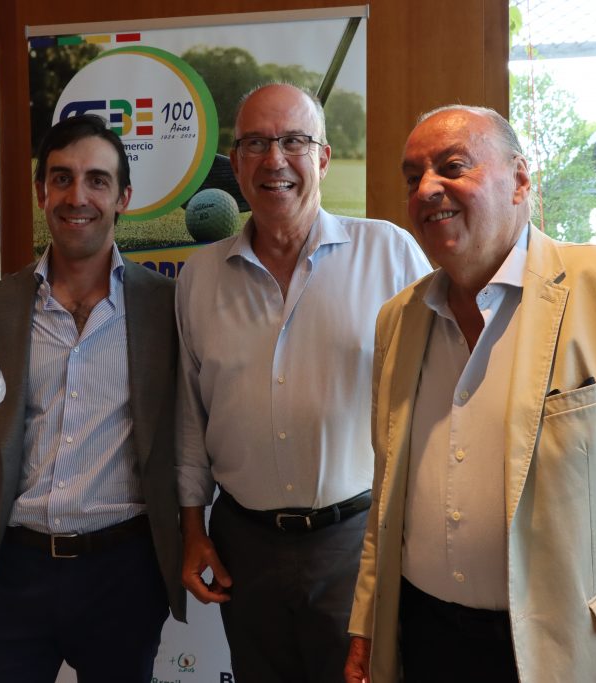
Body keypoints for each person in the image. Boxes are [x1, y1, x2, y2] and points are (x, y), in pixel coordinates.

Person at [345, 104, 596, 683]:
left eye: (452, 167)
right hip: (424, 640)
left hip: (568, 653)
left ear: (520, 181)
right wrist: (367, 625)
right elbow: (387, 497)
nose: (427, 189)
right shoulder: (397, 320)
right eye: (412, 178)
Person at [176, 83, 431, 683]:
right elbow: (190, 417)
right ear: (235, 162)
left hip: (355, 542)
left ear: (323, 157)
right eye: (256, 144)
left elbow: (437, 394)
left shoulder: (390, 253)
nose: (275, 160)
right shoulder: (199, 277)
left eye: (294, 141)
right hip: (243, 547)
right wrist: (191, 528)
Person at [0, 114, 185, 683]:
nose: (77, 196)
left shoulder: (165, 305)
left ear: (123, 198)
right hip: (11, 571)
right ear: (42, 191)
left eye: (97, 180)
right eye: (62, 178)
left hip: (124, 575)